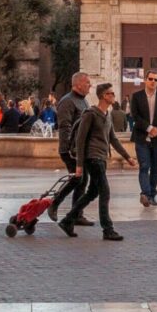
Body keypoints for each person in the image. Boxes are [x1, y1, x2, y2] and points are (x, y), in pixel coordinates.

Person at [58, 83, 136, 240]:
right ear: (103, 96)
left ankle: (68, 220)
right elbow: (80, 140)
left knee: (93, 192)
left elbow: (113, 139)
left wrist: (127, 157)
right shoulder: (90, 114)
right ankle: (108, 229)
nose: (113, 96)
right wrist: (79, 165)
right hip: (93, 158)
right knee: (105, 192)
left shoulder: (107, 115)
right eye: (111, 93)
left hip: (101, 157)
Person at [48, 72, 93, 225]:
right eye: (87, 82)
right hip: (70, 150)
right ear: (78, 84)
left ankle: (76, 214)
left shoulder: (84, 101)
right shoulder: (67, 101)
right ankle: (54, 203)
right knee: (77, 178)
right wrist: (68, 148)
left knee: (82, 180)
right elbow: (64, 126)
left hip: (80, 149)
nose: (90, 85)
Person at [130, 69, 157, 207]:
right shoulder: (136, 96)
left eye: (156, 80)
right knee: (144, 166)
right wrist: (149, 128)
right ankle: (145, 194)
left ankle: (152, 195)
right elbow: (135, 116)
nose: (153, 82)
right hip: (141, 137)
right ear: (145, 80)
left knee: (155, 168)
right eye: (150, 79)